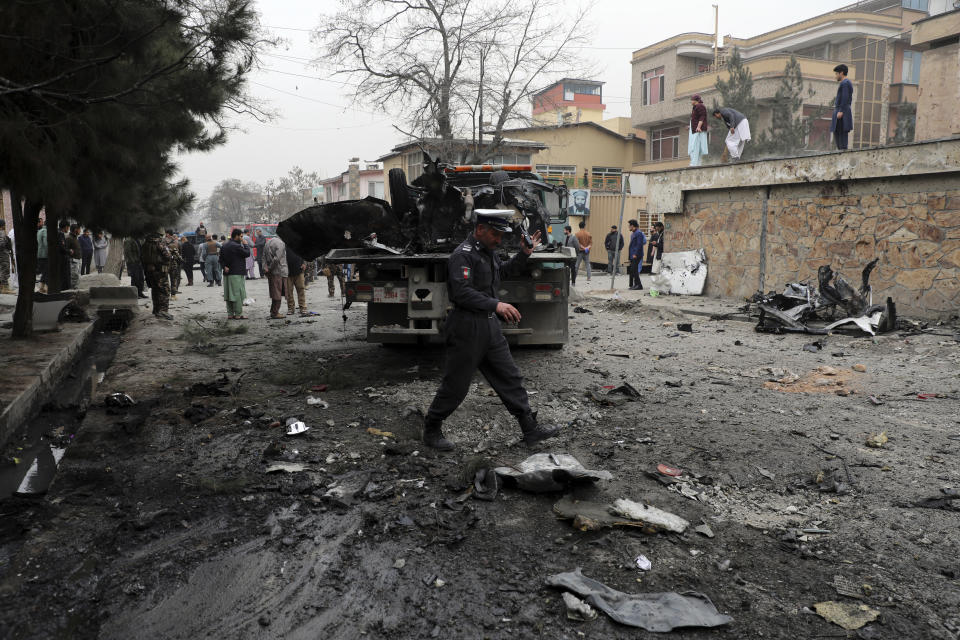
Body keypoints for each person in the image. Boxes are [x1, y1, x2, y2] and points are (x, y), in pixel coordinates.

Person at [422, 210, 559, 450]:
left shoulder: (489, 254)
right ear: (480, 230)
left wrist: (524, 254)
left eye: (500, 235)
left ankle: (530, 430)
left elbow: (502, 272)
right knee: (456, 386)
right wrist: (496, 304)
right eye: (495, 234)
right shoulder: (462, 256)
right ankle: (431, 429)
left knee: (510, 377)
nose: (499, 239)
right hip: (466, 327)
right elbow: (461, 292)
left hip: (489, 327)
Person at [141, 231, 173, 320]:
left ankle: (156, 310)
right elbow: (167, 256)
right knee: (164, 290)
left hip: (149, 271)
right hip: (160, 271)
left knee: (155, 290)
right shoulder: (160, 243)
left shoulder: (145, 244)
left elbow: (142, 258)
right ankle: (163, 312)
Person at [220, 228, 250, 319]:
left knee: (228, 294)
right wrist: (246, 245)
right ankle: (238, 314)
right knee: (237, 294)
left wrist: (224, 266)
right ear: (236, 236)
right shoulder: (236, 246)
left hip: (227, 273)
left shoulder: (224, 245)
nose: (242, 238)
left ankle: (230, 314)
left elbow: (220, 259)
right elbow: (247, 253)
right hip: (236, 273)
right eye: (241, 236)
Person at [262, 235, 288, 319]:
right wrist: (270, 268)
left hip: (272, 272)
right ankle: (275, 312)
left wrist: (265, 268)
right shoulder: (280, 243)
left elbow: (263, 257)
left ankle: (273, 311)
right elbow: (277, 259)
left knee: (275, 292)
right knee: (277, 292)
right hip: (279, 271)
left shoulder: (268, 242)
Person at [831, 64, 853, 151]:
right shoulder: (845, 83)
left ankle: (842, 155)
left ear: (842, 73)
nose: (836, 76)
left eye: (837, 73)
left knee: (841, 138)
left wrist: (841, 111)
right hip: (841, 111)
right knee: (838, 134)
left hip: (842, 113)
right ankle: (840, 153)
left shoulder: (845, 83)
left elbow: (845, 97)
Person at [285, 245, 309, 316]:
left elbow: (305, 254)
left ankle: (303, 307)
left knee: (301, 289)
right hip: (288, 272)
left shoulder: (298, 243)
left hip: (299, 270)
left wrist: (304, 263)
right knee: (289, 291)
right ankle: (291, 308)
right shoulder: (284, 244)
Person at [689, 94, 709, 167]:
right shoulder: (695, 107)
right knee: (696, 146)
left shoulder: (700, 106)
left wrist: (698, 127)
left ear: (695, 100)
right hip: (696, 130)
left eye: (692, 100)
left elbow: (702, 116)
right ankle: (697, 163)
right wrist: (690, 126)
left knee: (695, 146)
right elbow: (695, 119)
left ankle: (694, 164)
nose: (691, 101)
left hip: (698, 130)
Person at [163, 229, 182, 298]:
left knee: (165, 280)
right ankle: (173, 295)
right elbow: (179, 252)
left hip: (165, 263)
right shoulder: (177, 242)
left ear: (167, 234)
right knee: (174, 279)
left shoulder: (162, 241)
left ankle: (166, 294)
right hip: (174, 263)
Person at [628, 219, 645, 290]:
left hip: (636, 254)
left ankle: (639, 285)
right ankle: (635, 284)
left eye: (629, 226)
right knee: (632, 270)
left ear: (633, 226)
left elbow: (639, 244)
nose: (628, 227)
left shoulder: (638, 233)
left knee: (634, 270)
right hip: (632, 254)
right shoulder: (633, 233)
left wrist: (635, 254)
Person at [67, 223, 82, 289]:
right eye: (79, 229)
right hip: (73, 261)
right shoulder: (69, 238)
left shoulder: (75, 238)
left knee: (77, 277)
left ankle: (75, 290)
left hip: (78, 260)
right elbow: (66, 249)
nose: (80, 231)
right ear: (76, 229)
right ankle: (72, 291)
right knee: (73, 277)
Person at [0, 220, 12, 294]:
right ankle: (5, 288)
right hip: (3, 255)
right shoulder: (1, 233)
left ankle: (2, 287)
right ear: (2, 225)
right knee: (5, 270)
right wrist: (6, 243)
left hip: (2, 255)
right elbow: (1, 244)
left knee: (2, 270)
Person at [36, 219, 48, 293]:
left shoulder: (39, 231)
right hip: (44, 255)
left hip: (39, 254)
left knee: (44, 272)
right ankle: (45, 287)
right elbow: (46, 244)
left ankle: (41, 287)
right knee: (46, 271)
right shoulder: (45, 231)